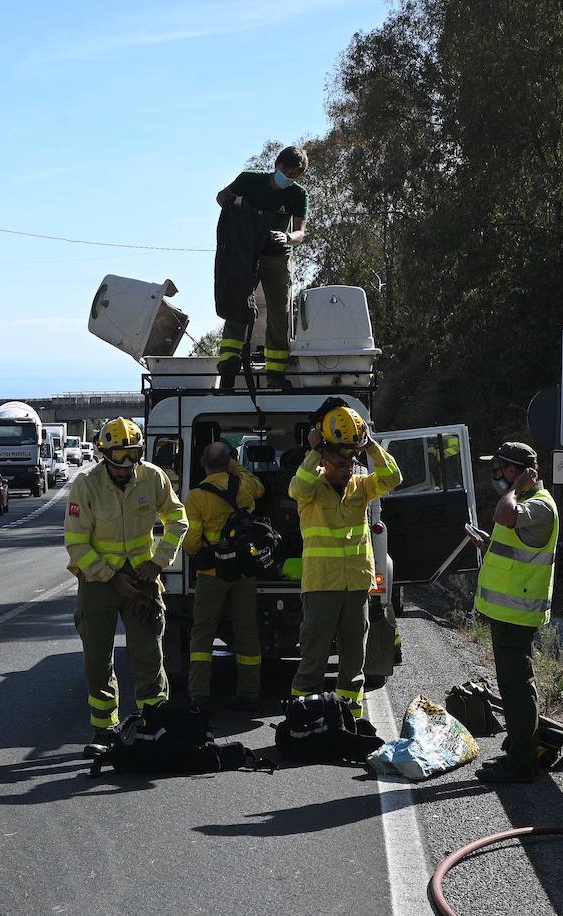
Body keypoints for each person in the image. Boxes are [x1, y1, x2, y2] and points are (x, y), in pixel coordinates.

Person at [64, 417, 188, 754]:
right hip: (98, 581)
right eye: (118, 460)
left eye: (132, 457)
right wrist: (110, 577)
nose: (125, 468)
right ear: (104, 455)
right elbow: (76, 543)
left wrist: (158, 562)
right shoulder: (87, 485)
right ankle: (105, 731)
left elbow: (178, 519)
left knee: (149, 654)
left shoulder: (153, 477)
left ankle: (155, 723)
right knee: (98, 659)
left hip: (143, 578)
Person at [288, 403, 401, 720]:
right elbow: (296, 487)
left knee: (354, 660)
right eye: (340, 463)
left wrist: (370, 445)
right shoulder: (311, 489)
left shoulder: (361, 486)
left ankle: (349, 717)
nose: (348, 467)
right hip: (322, 585)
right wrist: (313, 451)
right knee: (313, 658)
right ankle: (304, 715)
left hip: (356, 586)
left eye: (351, 462)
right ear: (324, 464)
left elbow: (393, 476)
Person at [468, 442, 559, 784]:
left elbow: (505, 515)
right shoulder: (524, 502)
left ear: (521, 470)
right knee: (512, 687)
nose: (497, 474)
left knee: (518, 689)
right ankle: (518, 752)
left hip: (517, 614)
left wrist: (518, 487)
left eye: (502, 467)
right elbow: (514, 538)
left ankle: (522, 764)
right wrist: (489, 543)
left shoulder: (538, 505)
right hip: (507, 613)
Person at [213, 146, 310, 389]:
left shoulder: (298, 195)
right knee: (238, 306)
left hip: (277, 256)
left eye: (294, 174)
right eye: (285, 171)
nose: (288, 177)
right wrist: (240, 215)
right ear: (277, 165)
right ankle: (228, 368)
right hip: (246, 254)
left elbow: (300, 233)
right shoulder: (249, 180)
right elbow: (221, 197)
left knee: (280, 313)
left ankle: (275, 374)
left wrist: (287, 237)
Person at [182, 442, 265, 712]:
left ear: (203, 463)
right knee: (247, 630)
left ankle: (199, 694)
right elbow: (260, 487)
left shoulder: (195, 497)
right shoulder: (244, 485)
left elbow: (192, 544)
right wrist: (233, 465)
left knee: (203, 632)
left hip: (211, 573)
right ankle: (250, 691)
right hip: (244, 571)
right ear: (229, 462)